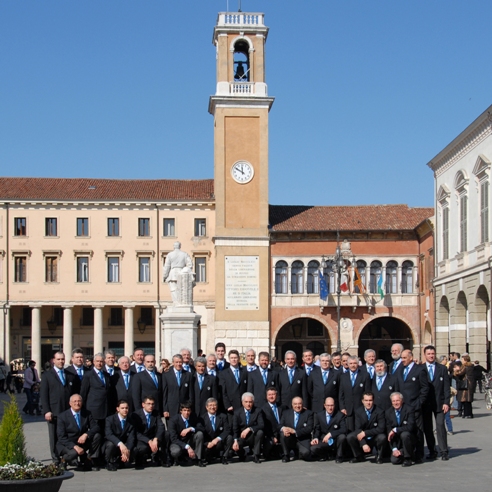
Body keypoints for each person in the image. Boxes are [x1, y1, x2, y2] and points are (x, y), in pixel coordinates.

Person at [40, 351, 77, 464]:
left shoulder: (69, 374)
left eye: (62, 359)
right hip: (54, 411)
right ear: (53, 360)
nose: (61, 361)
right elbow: (44, 395)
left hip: (67, 411)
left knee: (67, 435)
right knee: (54, 436)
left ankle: (68, 457)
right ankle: (55, 458)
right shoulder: (47, 375)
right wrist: (47, 411)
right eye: (59, 359)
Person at [395, 349, 429, 462]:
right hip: (402, 407)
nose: (402, 360)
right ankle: (406, 452)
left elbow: (425, 388)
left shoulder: (419, 370)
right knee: (405, 430)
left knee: (418, 430)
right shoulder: (400, 370)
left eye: (404, 358)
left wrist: (419, 402)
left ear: (411, 357)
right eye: (401, 358)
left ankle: (419, 454)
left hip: (415, 405)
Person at [56, 394, 102, 471]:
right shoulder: (62, 416)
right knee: (73, 453)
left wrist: (86, 434)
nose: (77, 403)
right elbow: (61, 437)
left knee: (97, 436)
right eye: (75, 401)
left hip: (82, 441)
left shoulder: (87, 413)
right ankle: (63, 460)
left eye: (79, 401)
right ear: (70, 403)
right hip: (67, 443)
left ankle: (89, 459)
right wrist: (75, 447)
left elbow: (96, 427)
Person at [422, 345, 450, 461]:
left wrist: (446, 402)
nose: (431, 356)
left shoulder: (442, 368)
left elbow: (446, 387)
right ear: (425, 355)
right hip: (426, 403)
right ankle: (432, 450)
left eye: (432, 353)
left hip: (439, 403)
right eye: (428, 354)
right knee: (428, 428)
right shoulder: (421, 368)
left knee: (440, 426)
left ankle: (444, 451)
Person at [346, 392, 386, 464]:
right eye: (366, 400)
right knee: (350, 437)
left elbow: (381, 428)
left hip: (374, 436)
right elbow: (358, 429)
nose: (368, 403)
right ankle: (358, 456)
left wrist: (365, 433)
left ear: (373, 401)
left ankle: (379, 456)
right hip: (362, 436)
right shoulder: (358, 411)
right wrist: (363, 443)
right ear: (362, 401)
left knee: (382, 437)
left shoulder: (380, 411)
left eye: (370, 400)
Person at [133, 396, 170, 469]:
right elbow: (136, 433)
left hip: (153, 436)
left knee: (166, 434)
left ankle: (164, 458)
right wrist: (149, 441)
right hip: (142, 439)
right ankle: (141, 459)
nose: (151, 406)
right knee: (141, 448)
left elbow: (161, 426)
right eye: (148, 404)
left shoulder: (156, 413)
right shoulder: (136, 415)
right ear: (143, 404)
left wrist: (156, 438)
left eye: (152, 404)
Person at [339, 355, 372, 432]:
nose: (353, 365)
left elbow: (367, 392)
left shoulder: (365, 375)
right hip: (348, 409)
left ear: (358, 364)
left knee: (360, 430)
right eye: (350, 363)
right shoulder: (343, 376)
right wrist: (342, 407)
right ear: (348, 364)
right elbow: (341, 393)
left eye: (354, 363)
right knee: (349, 431)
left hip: (360, 407)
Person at [169, 401, 206, 467]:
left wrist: (190, 428)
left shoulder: (193, 417)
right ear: (181, 411)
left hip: (190, 440)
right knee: (175, 451)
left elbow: (202, 428)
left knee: (199, 434)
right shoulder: (174, 420)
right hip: (178, 442)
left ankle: (197, 459)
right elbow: (173, 438)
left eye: (188, 410)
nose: (186, 412)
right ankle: (176, 459)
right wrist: (187, 447)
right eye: (184, 410)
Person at [311, 397, 347, 463]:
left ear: (334, 405)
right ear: (324, 405)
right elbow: (317, 429)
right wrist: (315, 438)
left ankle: (339, 456)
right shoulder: (319, 415)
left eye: (332, 405)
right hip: (324, 440)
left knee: (342, 437)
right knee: (313, 448)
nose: (330, 408)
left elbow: (344, 429)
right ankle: (325, 455)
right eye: (328, 405)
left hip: (335, 440)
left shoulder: (340, 415)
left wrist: (331, 434)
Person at [103, 399, 136, 471]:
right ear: (118, 409)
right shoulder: (110, 419)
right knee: (110, 444)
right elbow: (108, 434)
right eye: (122, 408)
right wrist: (120, 444)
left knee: (134, 447)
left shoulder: (131, 421)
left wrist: (127, 451)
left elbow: (131, 438)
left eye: (126, 408)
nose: (125, 410)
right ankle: (109, 462)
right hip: (113, 444)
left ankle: (121, 461)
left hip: (123, 446)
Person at [80, 353, 111, 429]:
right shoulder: (88, 375)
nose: (99, 363)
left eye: (101, 361)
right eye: (97, 361)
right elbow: (83, 393)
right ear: (93, 362)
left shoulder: (106, 375)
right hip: (93, 410)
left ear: (104, 362)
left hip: (105, 410)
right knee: (95, 434)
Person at [232, 392, 264, 463]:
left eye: (250, 402)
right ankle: (242, 454)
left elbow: (261, 424)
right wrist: (235, 441)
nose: (248, 404)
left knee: (260, 432)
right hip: (242, 436)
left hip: (253, 435)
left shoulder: (258, 411)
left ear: (253, 402)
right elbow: (235, 428)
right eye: (246, 402)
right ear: (242, 402)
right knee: (235, 444)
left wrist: (250, 429)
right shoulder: (237, 412)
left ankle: (256, 455)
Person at [279, 396, 313, 462]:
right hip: (290, 438)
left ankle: (297, 452)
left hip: (302, 439)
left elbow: (309, 429)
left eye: (299, 404)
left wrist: (294, 431)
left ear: (302, 404)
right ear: (292, 405)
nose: (297, 406)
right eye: (295, 404)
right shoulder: (286, 413)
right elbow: (280, 425)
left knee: (306, 453)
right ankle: (286, 455)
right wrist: (284, 428)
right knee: (282, 434)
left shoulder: (308, 413)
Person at [385, 392, 415, 467]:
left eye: (397, 400)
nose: (395, 403)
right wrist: (394, 449)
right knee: (394, 460)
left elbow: (410, 427)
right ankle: (403, 452)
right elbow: (389, 432)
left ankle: (408, 458)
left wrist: (395, 430)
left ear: (402, 400)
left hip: (409, 438)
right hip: (397, 441)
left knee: (404, 434)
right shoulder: (388, 412)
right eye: (393, 401)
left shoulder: (409, 409)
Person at [219, 349, 248, 423]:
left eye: (235, 358)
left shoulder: (244, 372)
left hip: (243, 405)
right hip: (231, 406)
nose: (234, 360)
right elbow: (223, 391)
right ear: (229, 359)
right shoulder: (223, 373)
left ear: (238, 358)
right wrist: (227, 405)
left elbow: (247, 388)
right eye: (232, 358)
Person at [201, 397, 233, 465]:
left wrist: (217, 439)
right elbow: (201, 432)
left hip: (219, 442)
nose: (212, 407)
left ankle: (224, 457)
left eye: (214, 405)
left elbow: (227, 430)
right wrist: (207, 443)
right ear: (206, 407)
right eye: (210, 405)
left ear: (217, 406)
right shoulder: (202, 418)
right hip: (208, 444)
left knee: (229, 437)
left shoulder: (223, 416)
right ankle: (207, 458)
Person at [162, 354, 194, 419]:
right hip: (171, 408)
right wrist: (165, 409)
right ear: (173, 363)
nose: (178, 364)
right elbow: (164, 393)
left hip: (184, 409)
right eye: (176, 362)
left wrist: (189, 406)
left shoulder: (188, 375)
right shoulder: (166, 375)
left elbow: (191, 393)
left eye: (180, 362)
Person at [261, 387, 283, 461]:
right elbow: (265, 426)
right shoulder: (263, 409)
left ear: (277, 395)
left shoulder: (282, 407)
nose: (271, 396)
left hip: (281, 432)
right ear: (266, 396)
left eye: (273, 394)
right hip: (269, 434)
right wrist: (273, 436)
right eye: (269, 395)